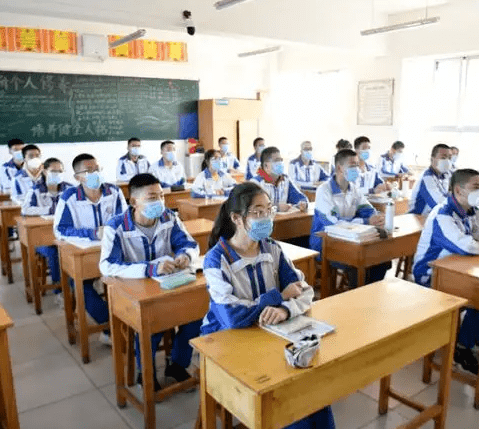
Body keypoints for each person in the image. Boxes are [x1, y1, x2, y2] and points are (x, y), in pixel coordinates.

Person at [201, 182, 335, 429]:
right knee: (291, 407)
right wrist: (278, 297)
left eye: (269, 210)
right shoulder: (216, 259)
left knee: (317, 395)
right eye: (258, 212)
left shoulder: (271, 248)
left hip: (269, 333)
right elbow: (232, 316)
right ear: (236, 218)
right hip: (226, 341)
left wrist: (284, 309)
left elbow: (304, 292)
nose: (266, 218)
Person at [99, 173, 201, 390]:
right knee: (152, 324)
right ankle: (145, 373)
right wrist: (149, 268)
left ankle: (177, 364)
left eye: (161, 196)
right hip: (135, 292)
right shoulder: (116, 227)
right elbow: (107, 265)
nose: (160, 202)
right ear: (134, 201)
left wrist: (185, 255)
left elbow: (189, 244)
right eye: (152, 197)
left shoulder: (169, 217)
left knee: (195, 316)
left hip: (168, 284)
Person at [412, 169, 479, 374]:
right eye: (476, 187)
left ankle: (475, 336)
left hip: (461, 269)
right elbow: (466, 246)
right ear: (458, 190)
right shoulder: (443, 214)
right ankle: (462, 346)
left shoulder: (474, 212)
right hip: (430, 274)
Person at [53, 153, 128, 344]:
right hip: (85, 253)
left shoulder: (113, 191)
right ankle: (110, 326)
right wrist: (92, 233)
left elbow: (126, 219)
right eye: (88, 171)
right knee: (80, 284)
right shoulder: (69, 197)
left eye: (97, 169)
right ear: (78, 177)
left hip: (114, 249)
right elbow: (60, 230)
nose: (95, 173)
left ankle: (129, 319)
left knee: (128, 279)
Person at [310, 149, 390, 288]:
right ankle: (357, 297)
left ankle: (369, 293)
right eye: (352, 165)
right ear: (339, 168)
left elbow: (367, 208)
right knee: (357, 262)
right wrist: (366, 221)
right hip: (325, 242)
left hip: (351, 238)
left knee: (381, 259)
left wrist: (376, 216)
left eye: (357, 165)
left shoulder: (353, 188)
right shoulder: (324, 190)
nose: (357, 169)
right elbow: (334, 223)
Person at [22, 157, 73, 286]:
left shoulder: (69, 188)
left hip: (65, 234)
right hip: (43, 237)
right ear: (44, 171)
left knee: (71, 249)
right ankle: (58, 287)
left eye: (60, 171)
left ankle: (74, 283)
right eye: (53, 171)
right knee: (53, 251)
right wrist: (49, 209)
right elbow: (25, 209)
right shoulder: (36, 190)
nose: (57, 174)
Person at [252, 147, 308, 213]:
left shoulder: (285, 180)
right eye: (276, 161)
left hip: (282, 219)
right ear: (266, 166)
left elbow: (299, 197)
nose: (280, 163)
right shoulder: (255, 183)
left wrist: (303, 203)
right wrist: (276, 208)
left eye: (281, 160)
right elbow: (254, 207)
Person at [408, 143, 452, 216]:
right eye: (443, 157)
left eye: (449, 158)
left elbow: (447, 196)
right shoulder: (427, 177)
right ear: (432, 159)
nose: (447, 161)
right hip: (418, 217)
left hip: (432, 216)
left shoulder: (445, 175)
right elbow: (439, 205)